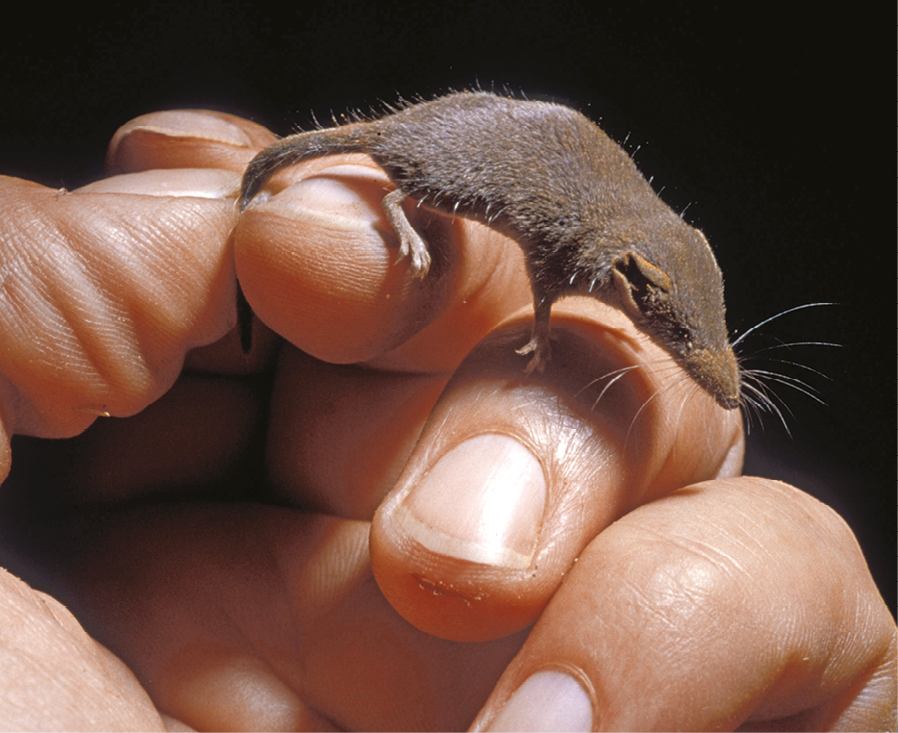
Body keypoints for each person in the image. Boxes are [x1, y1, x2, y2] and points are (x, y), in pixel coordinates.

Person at [0, 108, 895, 733]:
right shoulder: (586, 250)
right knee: (402, 207)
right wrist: (541, 332)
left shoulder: (644, 248)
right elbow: (545, 263)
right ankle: (389, 205)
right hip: (437, 165)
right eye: (684, 338)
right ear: (631, 283)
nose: (710, 369)